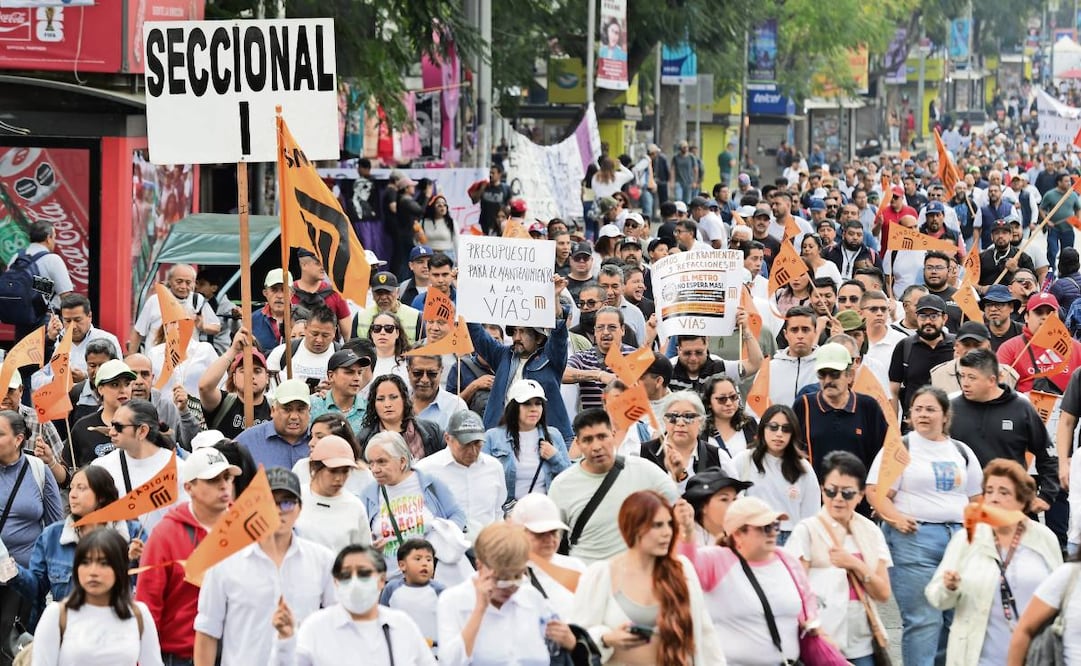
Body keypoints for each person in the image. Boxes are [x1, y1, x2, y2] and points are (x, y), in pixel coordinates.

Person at [867, 386, 983, 666]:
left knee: (953, 618)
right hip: (914, 540)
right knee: (923, 619)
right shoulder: (899, 448)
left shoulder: (961, 450)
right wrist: (895, 518)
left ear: (945, 416)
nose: (923, 415)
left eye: (931, 409)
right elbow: (876, 492)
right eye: (917, 409)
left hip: (957, 541)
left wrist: (973, 534)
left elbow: (976, 498)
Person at [927, 458, 1063, 666]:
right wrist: (949, 587)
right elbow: (936, 597)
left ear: (1022, 499)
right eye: (989, 491)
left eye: (1003, 492)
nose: (994, 498)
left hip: (1036, 656)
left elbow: (1063, 597)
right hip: (977, 657)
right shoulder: (967, 539)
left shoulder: (1044, 538)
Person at [194, 468, 336, 666]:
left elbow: (335, 624)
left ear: (299, 509)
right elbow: (207, 632)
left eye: (287, 503)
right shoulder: (224, 563)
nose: (278, 510)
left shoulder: (322, 560)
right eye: (270, 502)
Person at [570, 491, 724, 665]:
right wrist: (606, 639)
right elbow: (577, 638)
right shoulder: (600, 574)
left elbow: (705, 635)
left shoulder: (682, 569)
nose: (667, 532)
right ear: (634, 527)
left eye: (669, 524)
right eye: (657, 525)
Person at [675, 495, 820, 666]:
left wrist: (813, 622)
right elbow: (685, 568)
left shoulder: (787, 559)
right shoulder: (717, 559)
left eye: (775, 525)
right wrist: (687, 532)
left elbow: (807, 598)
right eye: (765, 527)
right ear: (738, 534)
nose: (773, 532)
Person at [786, 451, 893, 666]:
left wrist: (855, 564)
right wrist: (815, 629)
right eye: (831, 491)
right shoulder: (806, 530)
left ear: (861, 495)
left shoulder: (870, 532)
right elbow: (793, 592)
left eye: (847, 493)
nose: (837, 499)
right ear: (822, 490)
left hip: (861, 643)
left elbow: (883, 594)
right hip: (821, 642)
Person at [136, 447, 239, 666]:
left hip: (236, 652)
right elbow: (148, 603)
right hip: (182, 656)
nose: (223, 485)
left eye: (227, 477)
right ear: (189, 487)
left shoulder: (245, 527)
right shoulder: (165, 534)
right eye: (212, 480)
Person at [7, 466, 131, 632]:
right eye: (72, 487)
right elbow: (37, 589)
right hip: (66, 633)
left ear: (101, 496)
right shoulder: (52, 536)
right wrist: (15, 573)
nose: (72, 494)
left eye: (81, 488)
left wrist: (132, 558)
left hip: (113, 631)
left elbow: (141, 588)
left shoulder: (130, 534)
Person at [271, 544, 435, 666]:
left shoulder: (401, 624)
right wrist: (285, 640)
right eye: (346, 575)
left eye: (363, 573)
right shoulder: (316, 626)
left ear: (381, 580)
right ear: (335, 582)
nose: (355, 581)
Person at [437, 522, 576, 666]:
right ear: (480, 565)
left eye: (517, 576)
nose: (510, 587)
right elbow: (450, 662)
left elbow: (553, 652)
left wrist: (570, 643)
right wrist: (479, 610)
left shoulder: (531, 597)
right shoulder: (453, 600)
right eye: (501, 579)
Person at [549, 409, 678, 563]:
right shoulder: (562, 485)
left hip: (635, 577)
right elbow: (551, 542)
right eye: (588, 440)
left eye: (602, 437)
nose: (596, 446)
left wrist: (677, 473)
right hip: (588, 579)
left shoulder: (642, 469)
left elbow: (677, 506)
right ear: (578, 444)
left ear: (613, 434)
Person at [30, 528, 163, 666]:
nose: (93, 572)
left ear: (119, 568)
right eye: (86, 562)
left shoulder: (139, 614)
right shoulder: (57, 615)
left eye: (103, 563)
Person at [949, 349, 1059, 511]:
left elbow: (1047, 455)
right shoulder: (950, 408)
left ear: (992, 380)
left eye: (972, 377)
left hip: (1010, 504)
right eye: (962, 376)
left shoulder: (1021, 408)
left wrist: (1046, 496)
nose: (964, 382)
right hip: (962, 507)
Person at [360, 431, 465, 576]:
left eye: (381, 462)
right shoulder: (369, 494)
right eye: (371, 463)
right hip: (391, 581)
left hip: (435, 576)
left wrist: (441, 539)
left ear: (402, 461)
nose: (375, 469)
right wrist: (371, 549)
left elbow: (457, 515)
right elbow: (361, 537)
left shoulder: (430, 483)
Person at [0, 409, 63, 645]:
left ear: (19, 440)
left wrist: (53, 576)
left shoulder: (38, 470)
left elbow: (56, 527)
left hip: (24, 578)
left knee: (17, 644)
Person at [467, 300, 572, 441]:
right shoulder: (502, 355)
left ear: (539, 337)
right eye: (514, 331)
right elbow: (476, 332)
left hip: (544, 439)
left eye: (522, 332)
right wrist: (465, 290)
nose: (516, 338)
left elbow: (559, 334)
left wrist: (555, 298)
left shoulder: (551, 358)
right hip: (502, 438)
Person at [91, 399, 187, 535]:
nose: (111, 432)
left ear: (142, 431)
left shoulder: (178, 468)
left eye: (118, 427)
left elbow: (188, 524)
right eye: (112, 425)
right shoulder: (101, 467)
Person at [792, 342, 888, 476]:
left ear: (849, 376)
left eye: (834, 374)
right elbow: (792, 452)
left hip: (857, 493)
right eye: (822, 374)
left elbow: (883, 454)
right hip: (815, 492)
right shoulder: (803, 405)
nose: (828, 380)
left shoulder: (868, 406)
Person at [732, 405, 820, 545]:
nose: (779, 433)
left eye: (786, 429)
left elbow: (812, 513)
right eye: (773, 427)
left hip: (792, 538)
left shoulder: (803, 467)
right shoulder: (744, 460)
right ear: (763, 429)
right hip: (753, 534)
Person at [416, 410, 507, 536]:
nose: (472, 451)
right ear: (448, 438)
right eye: (465, 444)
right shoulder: (425, 470)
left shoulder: (494, 467)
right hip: (443, 547)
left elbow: (498, 511)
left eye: (477, 444)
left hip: (486, 547)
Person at [481, 379, 570, 507]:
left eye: (538, 403)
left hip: (546, 512)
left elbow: (568, 479)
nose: (534, 409)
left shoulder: (553, 435)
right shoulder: (492, 437)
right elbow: (482, 479)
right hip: (507, 516)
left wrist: (555, 458)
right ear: (514, 407)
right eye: (527, 404)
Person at [507, 494, 587, 617]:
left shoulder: (575, 566)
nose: (549, 539)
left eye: (554, 532)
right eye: (540, 533)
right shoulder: (503, 575)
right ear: (518, 532)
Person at [295, 435, 371, 554]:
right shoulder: (295, 498)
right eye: (333, 471)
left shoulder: (355, 506)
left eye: (345, 471)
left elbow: (364, 556)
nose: (339, 478)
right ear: (315, 466)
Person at [641, 391, 731, 490]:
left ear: (701, 421)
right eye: (673, 417)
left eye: (688, 417)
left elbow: (736, 498)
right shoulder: (642, 453)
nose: (680, 423)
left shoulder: (718, 456)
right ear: (664, 420)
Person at [998, 292, 1081, 394]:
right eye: (1038, 312)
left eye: (1051, 312)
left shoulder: (1076, 348)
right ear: (1026, 317)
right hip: (1024, 408)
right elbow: (999, 390)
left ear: (1058, 316)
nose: (1045, 317)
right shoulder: (1010, 348)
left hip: (1066, 408)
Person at [889, 293, 955, 419]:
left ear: (944, 318)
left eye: (934, 316)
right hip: (914, 423)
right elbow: (893, 392)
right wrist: (894, 428)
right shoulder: (904, 347)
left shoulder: (956, 347)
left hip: (949, 423)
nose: (928, 321)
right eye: (923, 316)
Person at [129, 263, 218, 355]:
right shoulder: (155, 300)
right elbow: (138, 332)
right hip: (156, 359)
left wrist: (203, 326)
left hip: (187, 361)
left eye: (188, 282)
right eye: (179, 281)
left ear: (194, 283)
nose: (183, 286)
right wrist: (130, 360)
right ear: (170, 281)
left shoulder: (198, 300)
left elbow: (216, 327)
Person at [197, 329, 272, 439]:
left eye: (257, 371)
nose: (250, 376)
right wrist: (233, 350)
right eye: (243, 371)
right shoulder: (223, 403)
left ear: (267, 377)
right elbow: (204, 387)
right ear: (234, 377)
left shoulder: (275, 409)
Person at [356, 374, 444, 461]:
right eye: (380, 399)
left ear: (404, 399)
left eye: (393, 397)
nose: (387, 404)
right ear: (373, 403)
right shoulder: (364, 438)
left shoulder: (432, 430)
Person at [378, 539, 445, 652]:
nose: (425, 563)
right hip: (400, 654)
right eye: (418, 559)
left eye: (429, 559)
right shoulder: (391, 589)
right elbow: (382, 620)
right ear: (402, 565)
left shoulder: (440, 590)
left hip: (433, 654)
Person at [235, 378, 312, 470]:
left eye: (300, 410)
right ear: (273, 410)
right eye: (287, 409)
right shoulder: (247, 441)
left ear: (309, 411)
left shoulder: (321, 440)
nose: (294, 416)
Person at [266, 305, 341, 386]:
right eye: (314, 334)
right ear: (305, 328)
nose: (319, 340)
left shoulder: (342, 356)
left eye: (325, 335)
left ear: (334, 332)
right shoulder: (282, 352)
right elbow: (269, 388)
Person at [680, 468, 752, 546]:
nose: (732, 505)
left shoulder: (742, 540)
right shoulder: (686, 541)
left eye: (734, 499)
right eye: (724, 499)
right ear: (703, 506)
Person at [291, 249, 352, 339]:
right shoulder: (289, 293)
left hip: (329, 351)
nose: (323, 267)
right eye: (318, 263)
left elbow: (347, 335)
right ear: (304, 265)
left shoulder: (334, 293)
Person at [308, 349, 371, 436]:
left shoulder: (369, 409)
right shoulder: (312, 405)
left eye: (359, 373)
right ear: (331, 376)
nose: (357, 378)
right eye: (349, 372)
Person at [701, 375, 757, 460]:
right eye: (722, 399)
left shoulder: (749, 424)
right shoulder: (700, 429)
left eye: (733, 397)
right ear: (709, 402)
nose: (729, 403)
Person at [406, 355, 467, 432]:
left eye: (432, 374)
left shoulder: (456, 406)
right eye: (417, 373)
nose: (425, 379)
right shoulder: (398, 401)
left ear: (441, 370)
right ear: (408, 370)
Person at [251, 269, 293, 352]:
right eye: (274, 290)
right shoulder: (253, 320)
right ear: (265, 293)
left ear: (292, 294)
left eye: (284, 290)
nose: (279, 296)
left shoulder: (303, 317)